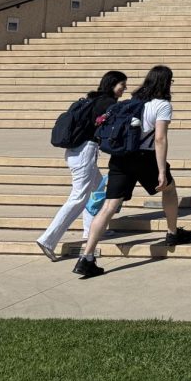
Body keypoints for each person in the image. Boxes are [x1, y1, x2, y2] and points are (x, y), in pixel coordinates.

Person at [73, 65, 191, 278]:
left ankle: (87, 256)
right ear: (166, 83)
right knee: (169, 190)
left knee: (109, 206)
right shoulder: (162, 105)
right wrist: (162, 170)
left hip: (120, 157)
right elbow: (159, 138)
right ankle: (172, 232)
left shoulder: (132, 102)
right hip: (144, 158)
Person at [36, 71, 127, 261]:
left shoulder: (94, 98)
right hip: (85, 152)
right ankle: (48, 239)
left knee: (98, 189)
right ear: (112, 85)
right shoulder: (108, 104)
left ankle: (90, 231)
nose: (124, 88)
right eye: (122, 85)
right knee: (79, 197)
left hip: (76, 151)